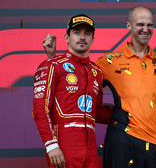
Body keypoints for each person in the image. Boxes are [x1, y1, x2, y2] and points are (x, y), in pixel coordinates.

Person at [43, 6, 156, 168]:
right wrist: (53, 59)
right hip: (123, 141)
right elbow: (75, 86)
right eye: (140, 24)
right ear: (128, 26)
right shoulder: (107, 62)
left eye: (150, 25)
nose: (145, 29)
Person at [32, 14, 113, 168]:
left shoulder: (97, 72)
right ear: (67, 37)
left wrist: (123, 114)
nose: (82, 37)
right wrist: (51, 145)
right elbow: (39, 110)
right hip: (64, 144)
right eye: (77, 32)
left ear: (93, 39)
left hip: (90, 147)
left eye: (87, 33)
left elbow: (95, 112)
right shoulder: (51, 65)